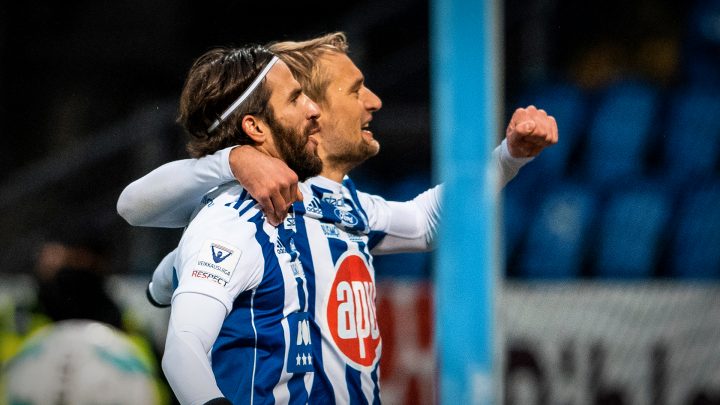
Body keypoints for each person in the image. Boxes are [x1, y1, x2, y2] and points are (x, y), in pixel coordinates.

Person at [118, 33, 557, 404]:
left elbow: (424, 223)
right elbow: (134, 209)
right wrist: (231, 161)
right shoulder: (237, 211)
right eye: (354, 89)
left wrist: (508, 157)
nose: (375, 101)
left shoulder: (340, 202)